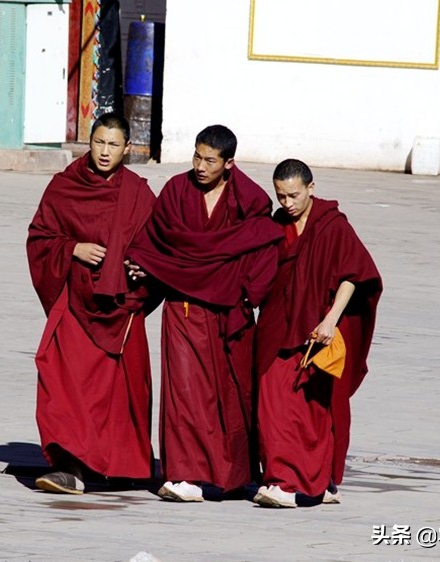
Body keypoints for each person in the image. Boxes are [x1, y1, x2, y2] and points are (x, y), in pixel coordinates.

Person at [126, 125, 283, 502]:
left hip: (229, 312)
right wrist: (145, 264)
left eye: (210, 161)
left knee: (230, 392)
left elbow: (264, 246)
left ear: (229, 163)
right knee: (183, 392)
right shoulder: (176, 192)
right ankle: (186, 475)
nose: (200, 166)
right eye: (197, 156)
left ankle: (233, 474)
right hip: (183, 308)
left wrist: (248, 293)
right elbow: (154, 240)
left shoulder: (250, 200)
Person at [26, 112, 158, 494]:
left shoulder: (138, 194)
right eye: (99, 142)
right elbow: (39, 237)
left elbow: (156, 245)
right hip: (74, 301)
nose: (104, 152)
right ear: (89, 142)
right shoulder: (65, 186)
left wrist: (141, 268)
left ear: (127, 148)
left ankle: (115, 463)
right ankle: (68, 466)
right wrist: (73, 248)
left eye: (113, 145)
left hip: (119, 305)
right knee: (59, 380)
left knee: (117, 392)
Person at [253, 158, 383, 508]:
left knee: (313, 410)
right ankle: (282, 478)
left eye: (293, 195)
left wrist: (330, 320)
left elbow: (353, 275)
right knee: (272, 404)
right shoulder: (277, 226)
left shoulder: (332, 225)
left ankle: (306, 481)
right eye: (281, 196)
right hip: (278, 328)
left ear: (311, 188)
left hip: (317, 331)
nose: (287, 203)